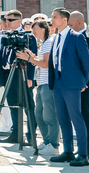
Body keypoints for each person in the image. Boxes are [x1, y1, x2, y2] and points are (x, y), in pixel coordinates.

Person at [48, 8, 89, 167]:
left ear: (64, 20)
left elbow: (86, 62)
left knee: (76, 117)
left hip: (73, 83)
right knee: (62, 118)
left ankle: (82, 154)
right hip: (58, 81)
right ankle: (68, 151)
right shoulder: (56, 37)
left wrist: (83, 81)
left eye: (54, 17)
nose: (51, 20)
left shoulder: (77, 37)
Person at [17, 19, 60, 157]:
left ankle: (54, 145)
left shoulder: (48, 43)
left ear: (43, 28)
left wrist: (29, 59)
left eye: (35, 28)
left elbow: (46, 64)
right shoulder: (44, 44)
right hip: (41, 83)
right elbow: (41, 61)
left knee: (49, 115)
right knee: (39, 114)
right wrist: (33, 56)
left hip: (48, 83)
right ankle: (47, 141)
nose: (33, 31)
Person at [0, 9, 37, 145]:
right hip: (8, 73)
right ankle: (16, 133)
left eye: (10, 20)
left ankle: (31, 135)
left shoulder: (27, 36)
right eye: (6, 20)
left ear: (19, 21)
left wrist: (30, 77)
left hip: (22, 74)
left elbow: (32, 57)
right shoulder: (7, 35)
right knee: (12, 104)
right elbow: (1, 57)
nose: (7, 22)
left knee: (28, 105)